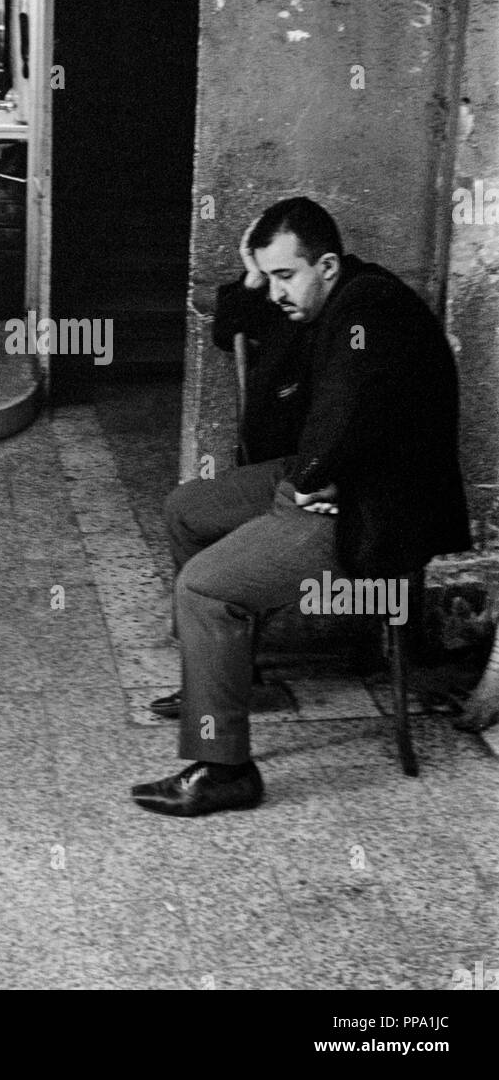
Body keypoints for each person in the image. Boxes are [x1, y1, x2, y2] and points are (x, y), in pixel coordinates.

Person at [133, 197, 471, 817]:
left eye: (286, 275)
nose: (277, 293)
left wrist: (314, 481)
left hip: (371, 515)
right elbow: (233, 314)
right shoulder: (330, 298)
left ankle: (224, 766)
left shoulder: (368, 314)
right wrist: (256, 274)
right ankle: (230, 678)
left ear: (330, 266)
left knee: (203, 589)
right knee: (188, 508)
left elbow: (342, 416)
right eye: (272, 277)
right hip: (327, 482)